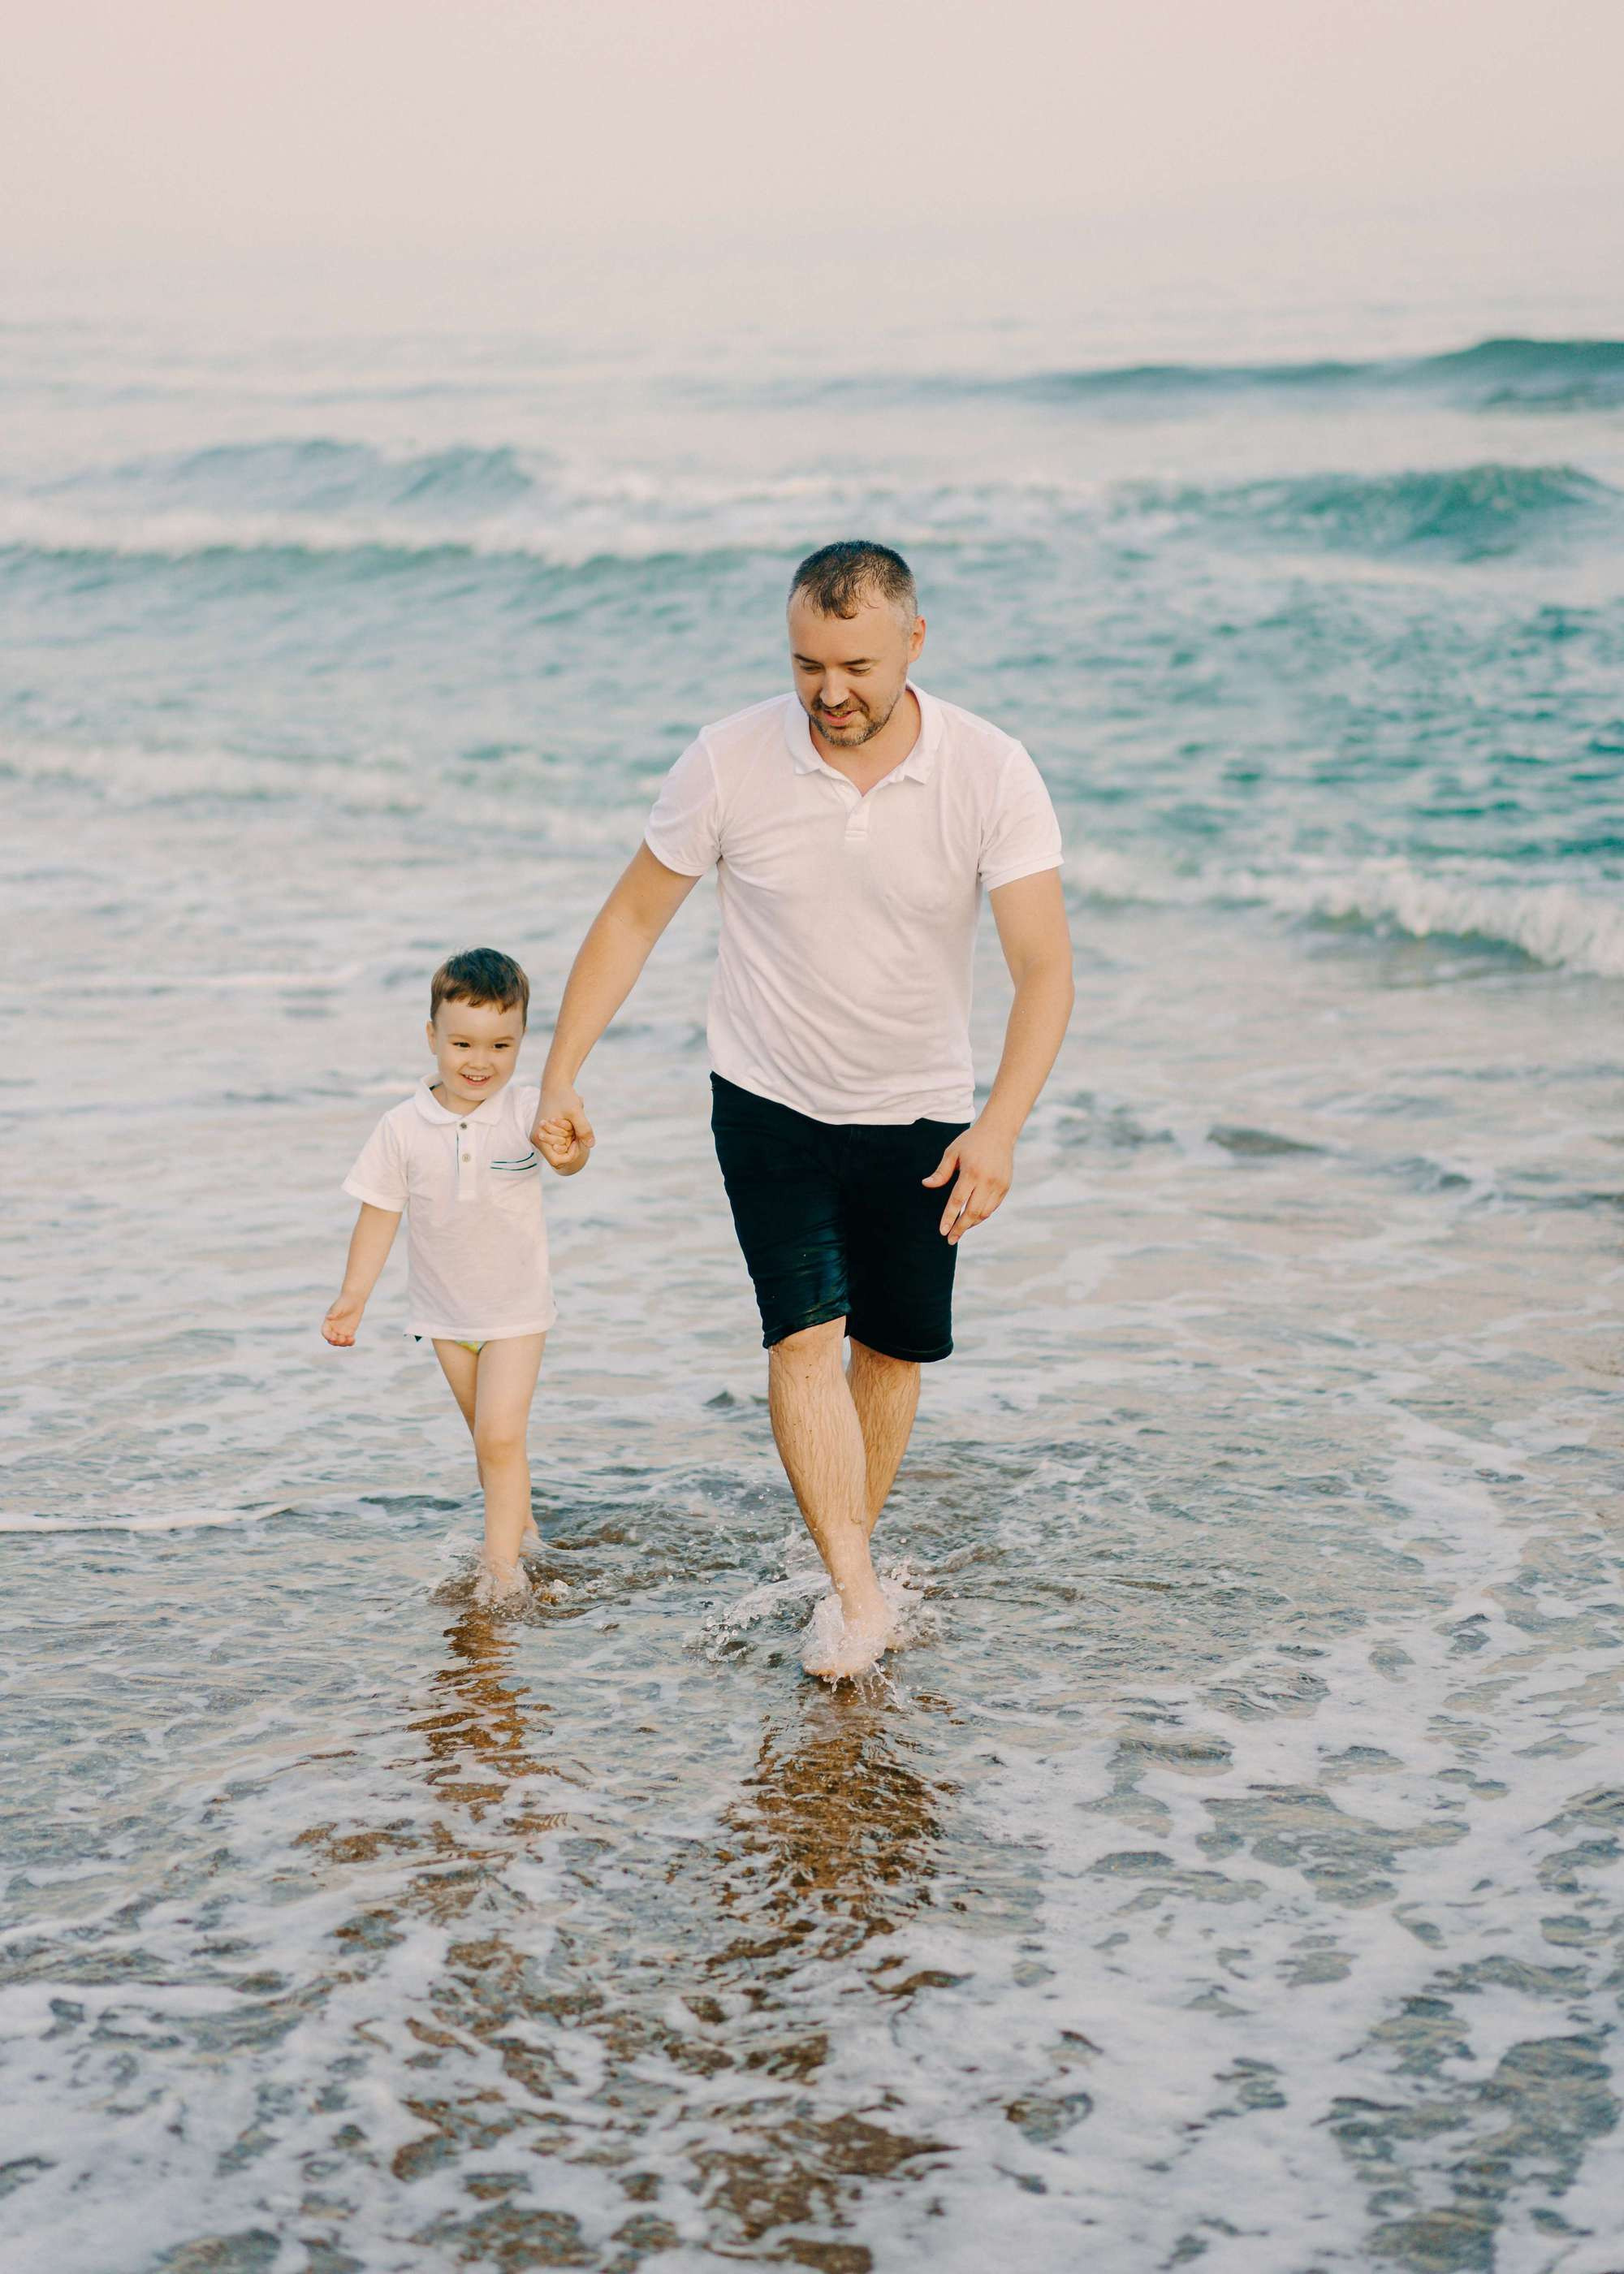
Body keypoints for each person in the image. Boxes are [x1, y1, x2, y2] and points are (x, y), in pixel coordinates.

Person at [533, 542, 1074, 1678]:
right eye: (807, 663)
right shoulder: (730, 759)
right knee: (804, 1336)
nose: (831, 691)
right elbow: (632, 918)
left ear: (915, 644)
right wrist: (560, 1073)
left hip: (923, 1111)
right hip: (769, 1099)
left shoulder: (990, 769)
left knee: (889, 1352)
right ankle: (857, 1592)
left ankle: (840, 1555)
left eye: (857, 665)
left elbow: (1044, 971)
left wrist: (1001, 1127)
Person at [322, 949, 585, 1602]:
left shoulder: (525, 1109)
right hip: (443, 1316)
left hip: (517, 1311)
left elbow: (570, 1158)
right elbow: (380, 1215)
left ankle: (501, 1575)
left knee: (500, 1436)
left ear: (522, 1041)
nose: (480, 1061)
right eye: (463, 1042)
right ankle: (524, 1532)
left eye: (501, 1044)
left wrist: (573, 1150)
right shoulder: (402, 1127)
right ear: (432, 1036)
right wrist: (353, 1298)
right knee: (489, 1442)